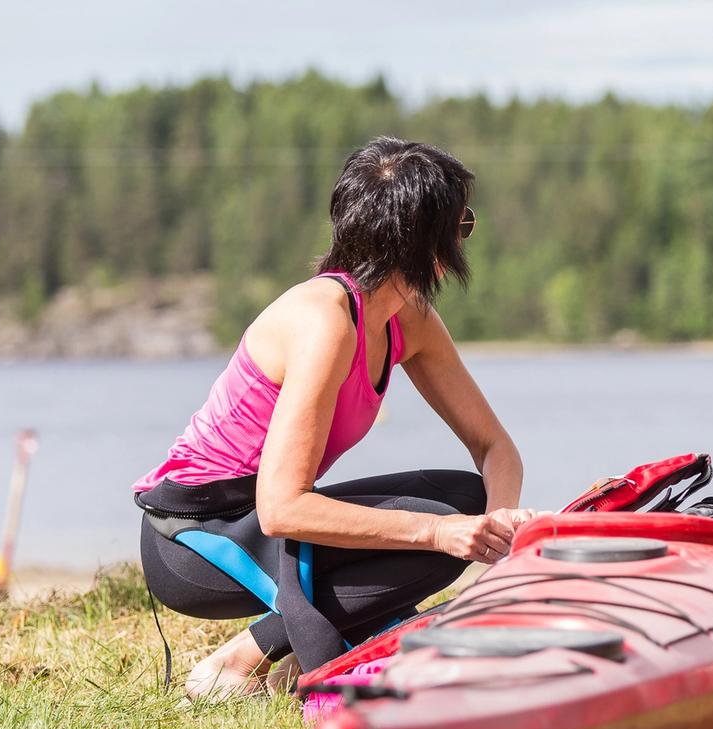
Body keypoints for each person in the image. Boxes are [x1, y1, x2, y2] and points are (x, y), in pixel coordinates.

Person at [133, 137, 533, 700]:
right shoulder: (325, 321)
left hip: (263, 523)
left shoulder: (408, 319)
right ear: (424, 243)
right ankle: (244, 658)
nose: (465, 237)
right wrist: (442, 533)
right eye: (461, 223)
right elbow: (283, 508)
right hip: (197, 540)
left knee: (466, 499)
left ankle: (298, 646)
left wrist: (501, 526)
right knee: (438, 535)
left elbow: (495, 448)